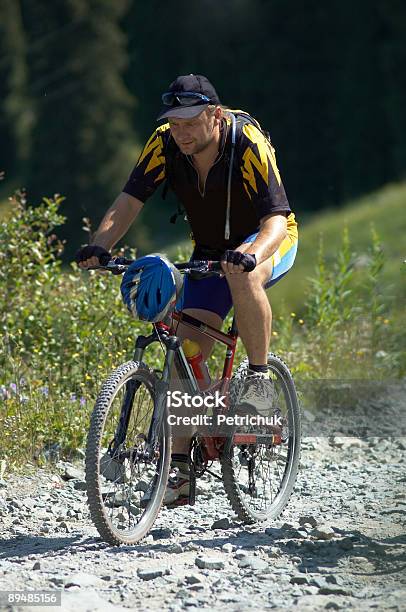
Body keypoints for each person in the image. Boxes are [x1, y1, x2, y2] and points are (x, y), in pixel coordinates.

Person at [76, 74, 298, 506]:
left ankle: (257, 386)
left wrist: (250, 256)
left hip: (269, 237)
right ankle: (178, 468)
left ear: (215, 115)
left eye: (190, 123)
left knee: (244, 277)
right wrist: (100, 246)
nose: (181, 133)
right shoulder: (163, 143)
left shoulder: (246, 142)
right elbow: (129, 200)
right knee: (186, 347)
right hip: (212, 248)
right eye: (174, 124)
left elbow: (276, 217)